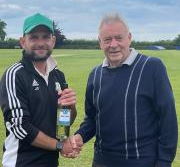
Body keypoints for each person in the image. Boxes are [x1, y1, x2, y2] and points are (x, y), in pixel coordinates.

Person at [72, 13, 178, 167]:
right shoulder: (95, 74)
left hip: (143, 162)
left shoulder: (152, 67)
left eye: (119, 38)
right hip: (102, 162)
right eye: (107, 39)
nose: (113, 44)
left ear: (129, 38)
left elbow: (168, 119)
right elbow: (92, 118)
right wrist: (80, 136)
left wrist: (164, 161)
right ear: (100, 43)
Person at [0, 13, 82, 167]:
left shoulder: (58, 75)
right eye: (34, 37)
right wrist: (59, 146)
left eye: (45, 37)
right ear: (23, 42)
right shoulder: (15, 74)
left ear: (53, 41)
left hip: (50, 162)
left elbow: (63, 123)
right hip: (21, 162)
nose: (40, 42)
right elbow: (21, 127)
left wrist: (70, 107)